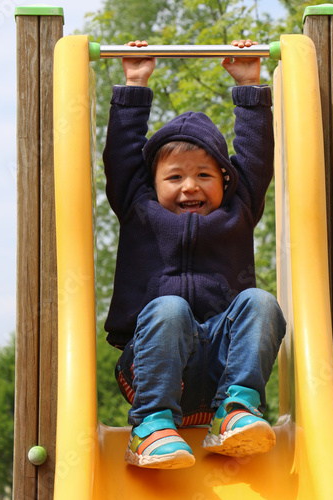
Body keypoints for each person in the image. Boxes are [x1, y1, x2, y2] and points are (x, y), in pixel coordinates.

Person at [102, 39, 286, 469]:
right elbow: (122, 158)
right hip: (153, 362)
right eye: (175, 176)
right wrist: (134, 83)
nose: (190, 186)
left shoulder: (238, 211)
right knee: (169, 308)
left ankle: (235, 411)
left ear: (227, 181)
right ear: (152, 182)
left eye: (205, 174)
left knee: (261, 302)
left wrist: (249, 85)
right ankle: (150, 425)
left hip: (221, 364)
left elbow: (256, 159)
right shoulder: (138, 206)